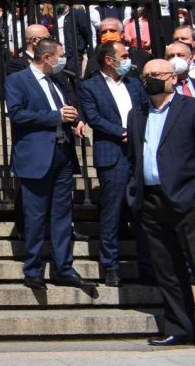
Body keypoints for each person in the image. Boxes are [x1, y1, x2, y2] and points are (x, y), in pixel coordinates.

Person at [4, 38, 94, 290]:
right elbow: (17, 114)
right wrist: (55, 116)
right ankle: (33, 269)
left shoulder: (58, 81)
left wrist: (73, 120)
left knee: (62, 214)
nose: (63, 60)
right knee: (35, 215)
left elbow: (65, 109)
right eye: (60, 55)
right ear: (46, 58)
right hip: (36, 157)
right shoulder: (17, 80)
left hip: (62, 154)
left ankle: (63, 267)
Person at [126, 59, 195, 346]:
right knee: (167, 268)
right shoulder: (136, 113)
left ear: (173, 78)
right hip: (151, 200)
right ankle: (181, 327)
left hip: (187, 197)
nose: (151, 79)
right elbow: (134, 155)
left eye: (156, 74)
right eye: (146, 75)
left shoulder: (190, 108)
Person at [78, 41, 147, 287]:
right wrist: (122, 132)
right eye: (125, 55)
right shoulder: (90, 86)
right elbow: (94, 117)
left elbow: (145, 110)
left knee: (143, 211)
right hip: (113, 154)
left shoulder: (135, 83)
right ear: (110, 60)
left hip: (139, 154)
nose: (129, 59)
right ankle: (111, 266)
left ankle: (146, 267)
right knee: (112, 212)